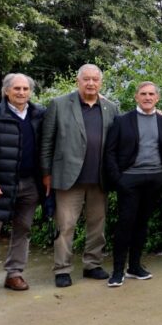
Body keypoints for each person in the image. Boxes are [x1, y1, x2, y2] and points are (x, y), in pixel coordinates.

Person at [40, 63, 119, 288]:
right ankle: (62, 269)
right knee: (65, 226)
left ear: (101, 83)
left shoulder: (110, 108)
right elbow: (47, 142)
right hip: (68, 178)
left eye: (95, 79)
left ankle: (92, 264)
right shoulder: (59, 104)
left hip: (99, 178)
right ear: (78, 81)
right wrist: (46, 173)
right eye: (86, 79)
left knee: (97, 224)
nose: (91, 83)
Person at [0, 73, 44, 296]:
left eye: (25, 89)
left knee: (23, 230)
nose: (21, 93)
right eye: (16, 89)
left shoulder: (39, 115)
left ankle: (14, 273)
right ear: (6, 91)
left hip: (30, 184)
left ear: (30, 92)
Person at [103, 82, 162, 287]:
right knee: (125, 224)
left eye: (151, 94)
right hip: (129, 180)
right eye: (143, 94)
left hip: (155, 180)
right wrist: (118, 179)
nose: (147, 97)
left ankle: (134, 267)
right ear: (136, 97)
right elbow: (110, 152)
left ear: (157, 98)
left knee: (142, 224)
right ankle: (117, 271)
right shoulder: (122, 121)